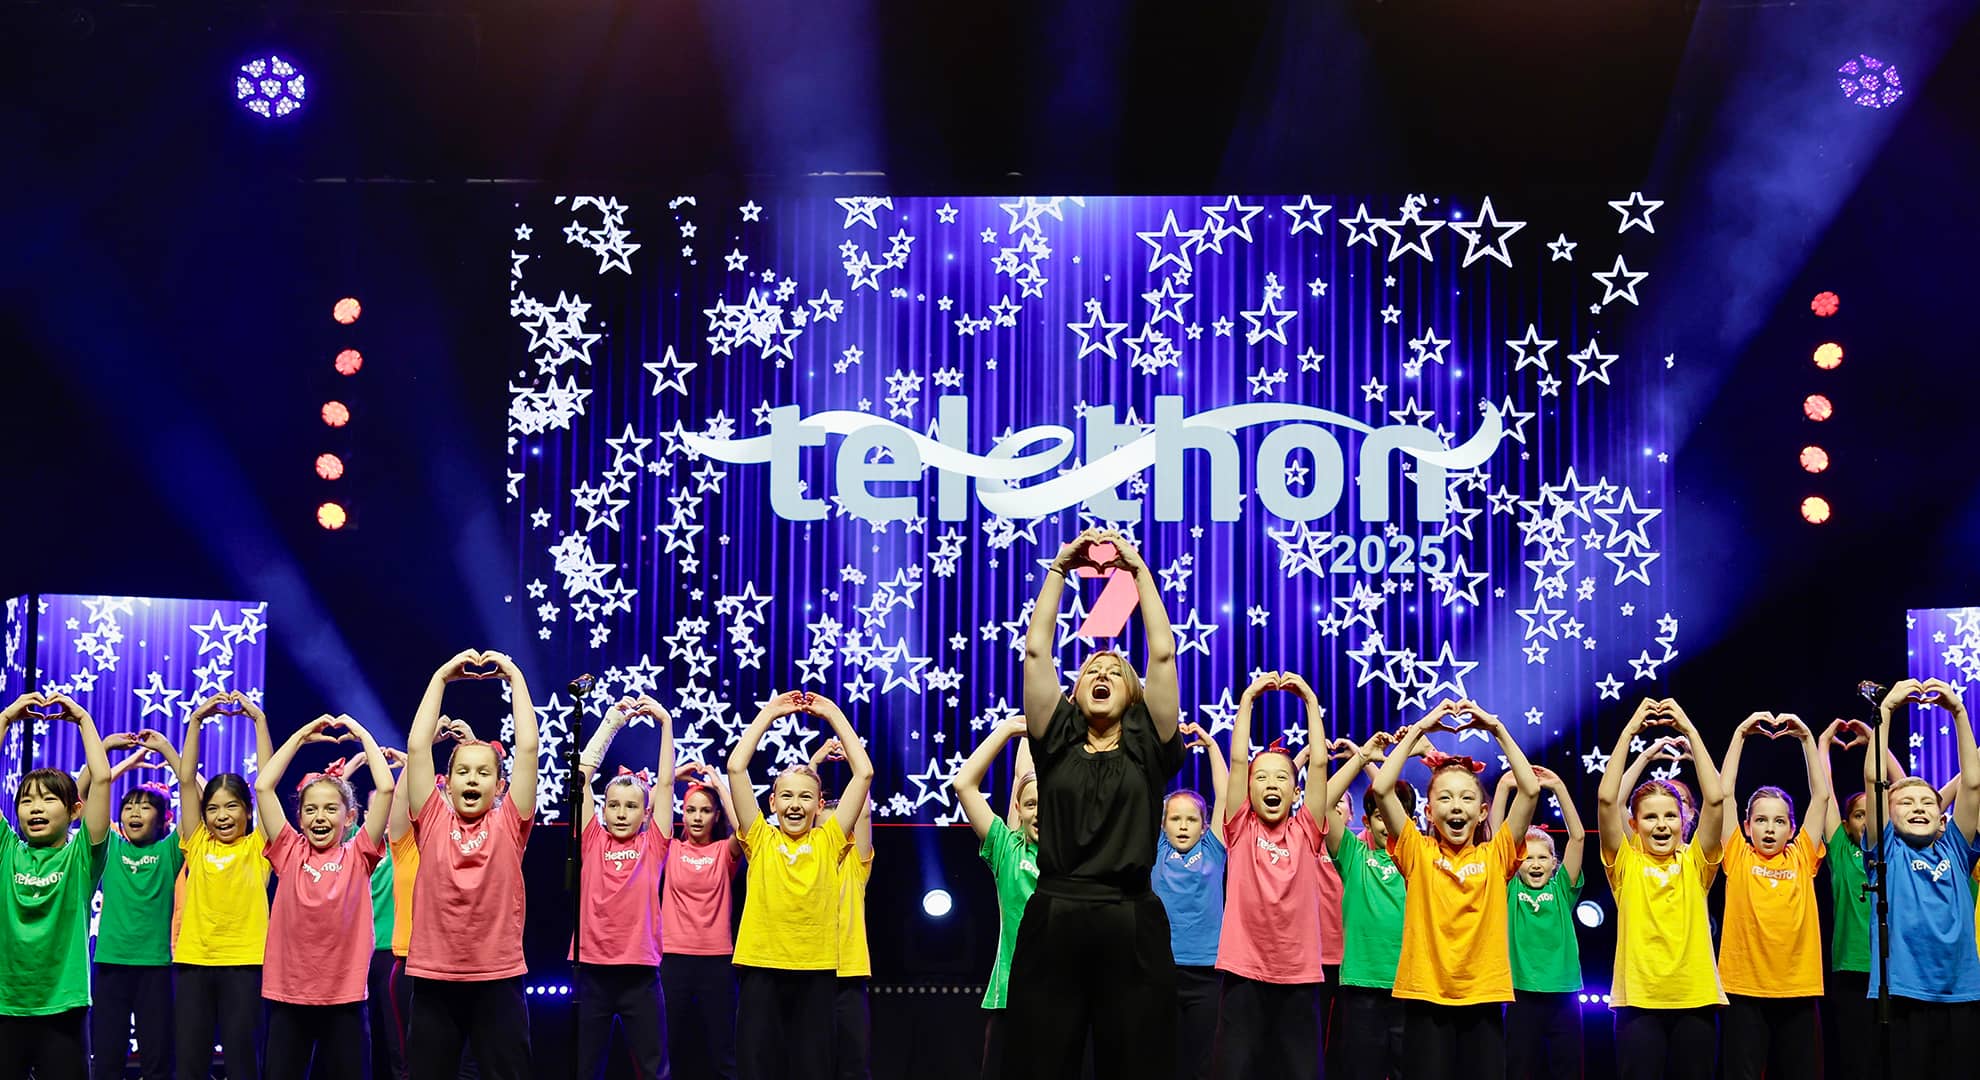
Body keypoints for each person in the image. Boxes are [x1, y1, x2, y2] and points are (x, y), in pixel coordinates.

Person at [1004, 528, 1186, 1080]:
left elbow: (1162, 652)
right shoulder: (1054, 741)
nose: (1102, 674)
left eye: (1114, 672)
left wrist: (1138, 571)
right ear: (1073, 693)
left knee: (1134, 1062)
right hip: (1056, 916)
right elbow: (1037, 651)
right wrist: (1059, 568)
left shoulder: (1148, 745)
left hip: (1131, 921)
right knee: (1041, 1060)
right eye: (1090, 671)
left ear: (1132, 695)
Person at [1370, 699, 1541, 1080]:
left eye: (1466, 797)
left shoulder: (1497, 855)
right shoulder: (1417, 851)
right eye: (1444, 798)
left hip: (1483, 996)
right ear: (1428, 812)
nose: (1455, 805)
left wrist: (1496, 728)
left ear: (1482, 811)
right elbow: (1383, 788)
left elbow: (1529, 791)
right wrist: (1420, 729)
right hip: (1425, 996)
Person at [402, 649, 542, 1080]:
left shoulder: (509, 822)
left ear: (500, 784)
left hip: (497, 979)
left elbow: (529, 746)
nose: (472, 779)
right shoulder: (432, 818)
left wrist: (515, 676)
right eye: (463, 771)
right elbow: (417, 746)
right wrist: (442, 676)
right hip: (434, 979)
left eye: (483, 773)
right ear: (447, 781)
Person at [727, 692, 875, 1080]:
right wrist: (770, 713)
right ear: (772, 802)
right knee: (757, 1068)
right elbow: (737, 767)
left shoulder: (830, 842)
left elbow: (864, 774)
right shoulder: (759, 838)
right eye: (787, 796)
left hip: (817, 972)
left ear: (819, 804)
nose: (795, 804)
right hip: (761, 969)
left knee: (813, 1069)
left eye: (806, 797)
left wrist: (833, 714)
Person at [257, 712, 395, 1079]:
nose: (320, 817)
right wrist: (301, 733)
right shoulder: (288, 850)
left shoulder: (360, 854)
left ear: (349, 817)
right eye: (311, 809)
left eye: (331, 809)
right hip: (288, 997)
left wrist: (363, 734)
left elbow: (386, 789)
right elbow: (263, 787)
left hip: (345, 1000)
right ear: (299, 818)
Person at [1596, 698, 1727, 1080]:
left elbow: (1716, 798)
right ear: (1634, 825)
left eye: (1670, 814)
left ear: (1685, 819)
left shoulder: (1696, 862)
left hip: (1696, 1001)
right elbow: (1607, 799)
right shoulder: (1626, 864)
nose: (1661, 823)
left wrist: (1689, 730)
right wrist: (1630, 731)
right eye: (1650, 816)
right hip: (1639, 1004)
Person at [1211, 671, 1329, 1079]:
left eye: (1281, 777)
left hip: (1298, 977)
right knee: (1236, 1069)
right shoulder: (1240, 826)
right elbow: (1239, 758)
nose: (1271, 783)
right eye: (1261, 777)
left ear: (1296, 792)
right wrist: (1247, 698)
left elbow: (1318, 762)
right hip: (1244, 974)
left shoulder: (1306, 830)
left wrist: (1310, 700)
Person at [1859, 678, 1980, 1073]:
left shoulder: (1955, 849)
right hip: (1903, 995)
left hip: (1960, 995)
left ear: (1941, 818)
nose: (1918, 806)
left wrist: (1959, 713)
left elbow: (1974, 783)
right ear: (1888, 817)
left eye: (1927, 801)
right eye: (1905, 801)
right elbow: (1874, 782)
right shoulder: (1887, 851)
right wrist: (1887, 711)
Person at [0, 692, 112, 1080]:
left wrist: (82, 718)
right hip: (6, 1006)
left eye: (48, 800)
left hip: (63, 1008)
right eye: (27, 801)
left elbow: (102, 778)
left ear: (74, 810)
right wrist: (5, 720)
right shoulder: (6, 850)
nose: (35, 808)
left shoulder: (81, 857)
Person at [1716, 711, 1832, 1080]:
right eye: (1761, 820)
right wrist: (1739, 734)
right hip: (1743, 989)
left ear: (1792, 828)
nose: (1769, 828)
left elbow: (1822, 795)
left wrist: (1806, 740)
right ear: (1747, 826)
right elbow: (1723, 794)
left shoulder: (1802, 857)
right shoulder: (1737, 854)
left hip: (1797, 989)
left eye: (1779, 821)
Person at [570, 695, 674, 1080]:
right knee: (585, 1067)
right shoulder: (592, 839)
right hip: (593, 972)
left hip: (641, 974)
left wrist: (665, 723)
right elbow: (580, 775)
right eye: (613, 805)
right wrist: (612, 722)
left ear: (646, 812)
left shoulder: (653, 844)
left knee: (653, 1069)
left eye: (631, 806)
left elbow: (664, 783)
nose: (620, 813)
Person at [174, 690, 276, 1080]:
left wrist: (259, 721)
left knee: (242, 1060)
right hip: (194, 965)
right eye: (213, 808)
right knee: (190, 1062)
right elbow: (186, 779)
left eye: (231, 806)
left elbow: (266, 781)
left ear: (248, 811)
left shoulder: (259, 847)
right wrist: (196, 720)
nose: (221, 815)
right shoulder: (196, 843)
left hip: (244, 966)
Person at [85, 730, 184, 1080]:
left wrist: (168, 752)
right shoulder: (109, 846)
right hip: (111, 964)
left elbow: (191, 794)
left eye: (145, 807)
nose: (134, 812)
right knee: (108, 1057)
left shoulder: (170, 851)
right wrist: (112, 751)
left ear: (164, 819)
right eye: (128, 806)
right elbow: (85, 792)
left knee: (157, 1058)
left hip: (156, 967)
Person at [953, 718, 1038, 1080]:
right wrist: (1008, 731)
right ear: (1018, 810)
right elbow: (963, 784)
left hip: (1069, 998)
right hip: (1010, 998)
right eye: (1032, 803)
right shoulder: (1006, 847)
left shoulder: (1081, 856)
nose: (1042, 811)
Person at [1326, 732, 1414, 1080]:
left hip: (1409, 985)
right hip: (1361, 987)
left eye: (1393, 815)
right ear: (1366, 822)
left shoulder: (1418, 856)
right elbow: (1322, 802)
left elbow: (1395, 799)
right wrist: (1363, 757)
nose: (1386, 822)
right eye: (1378, 816)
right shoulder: (1353, 855)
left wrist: (1413, 751)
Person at [1491, 767, 1588, 1080]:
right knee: (1519, 1068)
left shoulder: (1562, 888)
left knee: (1569, 1070)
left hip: (1564, 996)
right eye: (1527, 858)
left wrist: (1559, 785)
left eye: (1542, 858)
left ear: (1554, 863)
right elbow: (1496, 839)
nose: (1534, 864)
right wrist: (1504, 789)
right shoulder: (1509, 888)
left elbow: (1578, 836)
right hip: (1521, 995)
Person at [1151, 721, 1227, 1080]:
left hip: (1207, 974)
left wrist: (1212, 746)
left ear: (1204, 824)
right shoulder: (1158, 850)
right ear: (1163, 824)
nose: (1183, 825)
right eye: (1175, 819)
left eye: (1191, 819)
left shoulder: (1214, 850)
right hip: (1161, 970)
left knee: (1201, 1063)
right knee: (1163, 1058)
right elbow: (1148, 789)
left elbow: (1226, 796)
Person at [661, 759, 743, 1080]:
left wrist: (719, 785)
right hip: (672, 960)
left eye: (705, 810)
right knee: (664, 1047)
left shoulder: (725, 851)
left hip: (717, 963)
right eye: (691, 810)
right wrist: (671, 778)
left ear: (716, 815)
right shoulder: (670, 848)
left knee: (724, 1052)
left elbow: (747, 829)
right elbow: (647, 811)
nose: (697, 817)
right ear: (682, 812)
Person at [1816, 717, 1885, 1080]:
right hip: (1851, 972)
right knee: (1856, 1061)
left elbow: (1900, 791)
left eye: (1869, 814)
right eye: (1858, 815)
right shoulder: (1842, 850)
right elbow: (1822, 793)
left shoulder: (1893, 851)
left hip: (1894, 971)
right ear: (1846, 824)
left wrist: (1877, 742)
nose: (1865, 820)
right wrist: (1823, 745)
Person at [811, 737, 876, 1080]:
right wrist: (813, 764)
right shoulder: (801, 860)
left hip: (848, 977)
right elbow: (801, 799)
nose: (837, 832)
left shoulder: (856, 864)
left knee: (853, 1066)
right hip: (807, 974)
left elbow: (862, 807)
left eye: (844, 827)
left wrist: (852, 756)